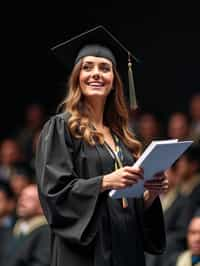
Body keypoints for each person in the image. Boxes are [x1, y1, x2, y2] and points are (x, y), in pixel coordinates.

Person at [36, 25, 168, 266]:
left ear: (114, 81)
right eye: (87, 67)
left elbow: (126, 205)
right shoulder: (61, 128)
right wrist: (106, 181)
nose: (96, 74)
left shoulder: (122, 137)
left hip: (126, 249)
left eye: (104, 68)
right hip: (86, 254)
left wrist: (150, 195)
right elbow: (54, 194)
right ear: (77, 77)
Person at [1, 184, 50, 266]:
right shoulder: (14, 226)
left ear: (42, 206)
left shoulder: (46, 231)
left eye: (29, 199)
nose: (22, 201)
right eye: (21, 197)